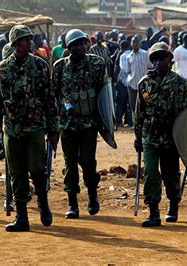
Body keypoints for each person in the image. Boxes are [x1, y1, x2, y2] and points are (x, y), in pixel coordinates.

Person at [0, 25, 59, 232]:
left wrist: (53, 129)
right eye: (24, 39)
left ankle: (43, 204)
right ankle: (22, 217)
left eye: (30, 39)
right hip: (12, 129)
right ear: (15, 43)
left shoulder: (40, 66)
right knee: (17, 173)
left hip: (35, 127)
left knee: (38, 169)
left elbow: (50, 99)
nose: (29, 42)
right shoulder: (2, 69)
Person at [134, 42, 187, 227]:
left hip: (171, 138)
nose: (159, 62)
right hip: (150, 136)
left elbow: (186, 115)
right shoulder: (144, 84)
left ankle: (173, 204)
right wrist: (137, 137)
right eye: (155, 58)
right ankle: (153, 212)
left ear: (169, 58)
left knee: (171, 174)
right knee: (150, 173)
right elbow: (139, 112)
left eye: (162, 57)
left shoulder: (180, 84)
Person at [53, 29, 105, 219]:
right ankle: (72, 203)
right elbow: (55, 94)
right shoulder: (60, 67)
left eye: (82, 43)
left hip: (89, 124)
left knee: (88, 162)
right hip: (67, 124)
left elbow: (105, 93)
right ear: (68, 47)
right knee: (70, 163)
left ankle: (92, 194)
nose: (79, 47)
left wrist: (105, 121)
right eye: (74, 44)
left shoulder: (97, 64)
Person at [127, 36, 151, 116]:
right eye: (133, 42)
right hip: (132, 85)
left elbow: (150, 66)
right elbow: (128, 71)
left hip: (144, 86)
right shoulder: (129, 56)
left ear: (140, 43)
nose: (135, 44)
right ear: (131, 44)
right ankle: (135, 123)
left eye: (137, 42)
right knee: (133, 104)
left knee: (146, 102)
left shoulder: (145, 54)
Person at [115, 40, 132, 127]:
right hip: (131, 82)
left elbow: (121, 69)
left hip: (122, 82)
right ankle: (129, 121)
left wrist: (116, 80)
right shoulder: (133, 54)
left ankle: (119, 121)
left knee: (119, 102)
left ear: (121, 48)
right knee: (129, 103)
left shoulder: (122, 56)